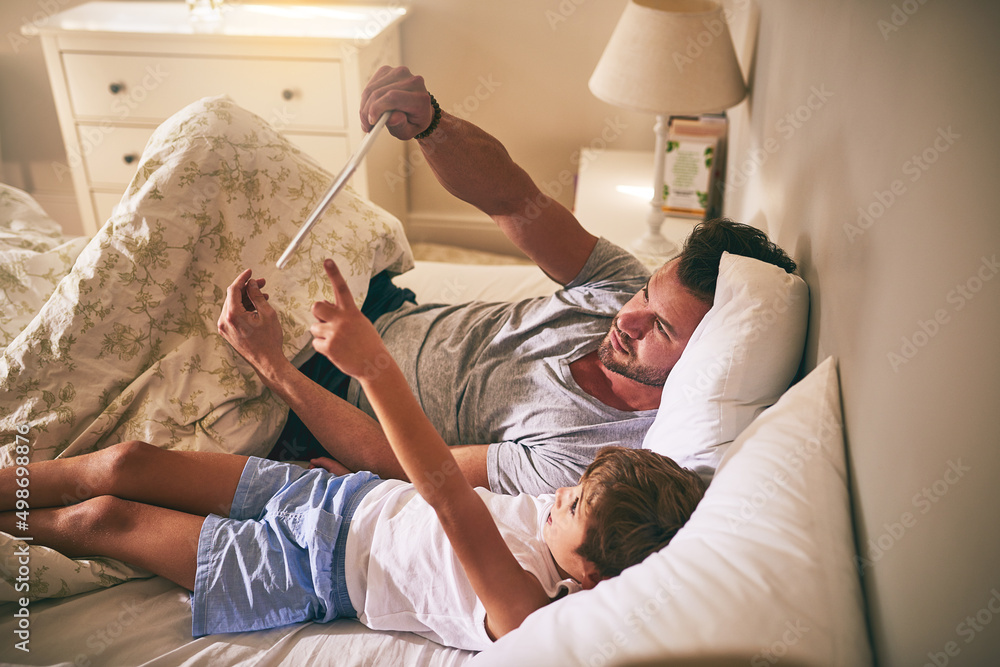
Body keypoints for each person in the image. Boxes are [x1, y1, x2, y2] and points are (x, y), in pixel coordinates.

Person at [0, 259, 706, 650]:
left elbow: (452, 502)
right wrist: (366, 482)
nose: (559, 496)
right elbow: (436, 494)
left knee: (102, 519)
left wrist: (376, 369)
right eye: (573, 489)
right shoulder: (561, 523)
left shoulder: (526, 609)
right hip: (337, 497)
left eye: (574, 505)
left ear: (592, 576)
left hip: (307, 570)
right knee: (126, 462)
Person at [218, 66, 797, 496]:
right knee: (218, 139)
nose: (629, 317)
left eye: (662, 329)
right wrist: (432, 124)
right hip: (381, 304)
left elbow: (411, 464)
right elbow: (511, 198)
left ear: (703, 360)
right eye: (648, 296)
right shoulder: (620, 287)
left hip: (324, 392)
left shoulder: (588, 455)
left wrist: (274, 365)